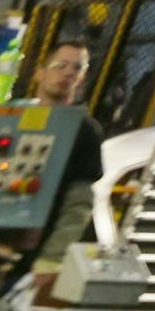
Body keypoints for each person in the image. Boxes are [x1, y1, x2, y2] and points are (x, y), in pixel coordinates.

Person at [27, 34, 107, 273]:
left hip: (36, 248)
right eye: (61, 65)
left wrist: (52, 260)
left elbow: (78, 204)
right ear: (40, 72)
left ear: (81, 79)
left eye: (77, 68)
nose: (68, 73)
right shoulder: (12, 117)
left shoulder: (85, 131)